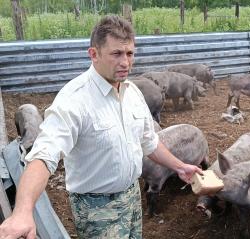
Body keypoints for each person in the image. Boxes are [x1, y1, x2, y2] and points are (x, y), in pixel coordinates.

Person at [0, 15, 202, 239]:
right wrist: (22, 211)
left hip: (132, 196)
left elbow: (149, 141)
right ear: (93, 54)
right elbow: (43, 156)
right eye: (116, 54)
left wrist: (180, 167)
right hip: (96, 209)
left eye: (130, 53)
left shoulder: (132, 92)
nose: (125, 62)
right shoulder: (74, 100)